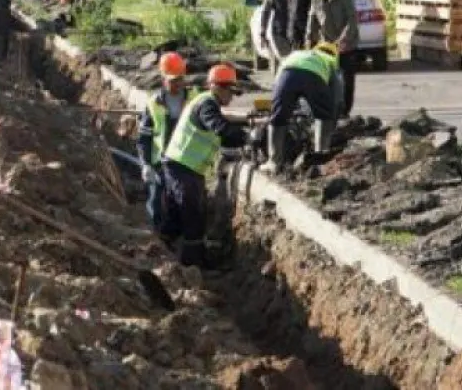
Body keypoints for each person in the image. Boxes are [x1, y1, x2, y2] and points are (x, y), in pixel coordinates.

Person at [161, 62, 248, 268]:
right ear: (218, 87)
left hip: (181, 165)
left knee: (177, 215)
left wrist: (243, 125)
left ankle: (164, 253)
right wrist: (247, 138)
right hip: (183, 166)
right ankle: (194, 265)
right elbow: (219, 128)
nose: (232, 97)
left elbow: (221, 127)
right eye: (231, 91)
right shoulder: (207, 105)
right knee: (193, 215)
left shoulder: (205, 102)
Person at [261, 43, 344, 172]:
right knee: (324, 116)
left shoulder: (296, 55)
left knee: (278, 117)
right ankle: (320, 159)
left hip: (287, 73)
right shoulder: (331, 61)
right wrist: (332, 118)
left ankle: (274, 162)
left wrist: (283, 105)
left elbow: (278, 83)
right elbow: (337, 98)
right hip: (314, 77)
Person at [137, 52, 193, 239]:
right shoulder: (154, 103)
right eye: (172, 80)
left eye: (180, 79)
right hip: (160, 163)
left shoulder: (193, 99)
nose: (177, 84)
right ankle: (156, 241)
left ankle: (179, 240)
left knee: (183, 204)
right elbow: (144, 137)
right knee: (156, 203)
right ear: (162, 79)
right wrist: (145, 164)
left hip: (186, 162)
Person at [307, 0, 360, 117]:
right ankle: (330, 110)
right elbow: (312, 20)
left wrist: (344, 40)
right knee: (328, 79)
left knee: (347, 81)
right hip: (327, 45)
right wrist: (309, 40)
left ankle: (345, 112)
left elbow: (352, 19)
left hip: (346, 44)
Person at [259, 0, 298, 68]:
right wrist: (262, 31)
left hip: (298, 33)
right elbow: (266, 10)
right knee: (287, 63)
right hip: (280, 33)